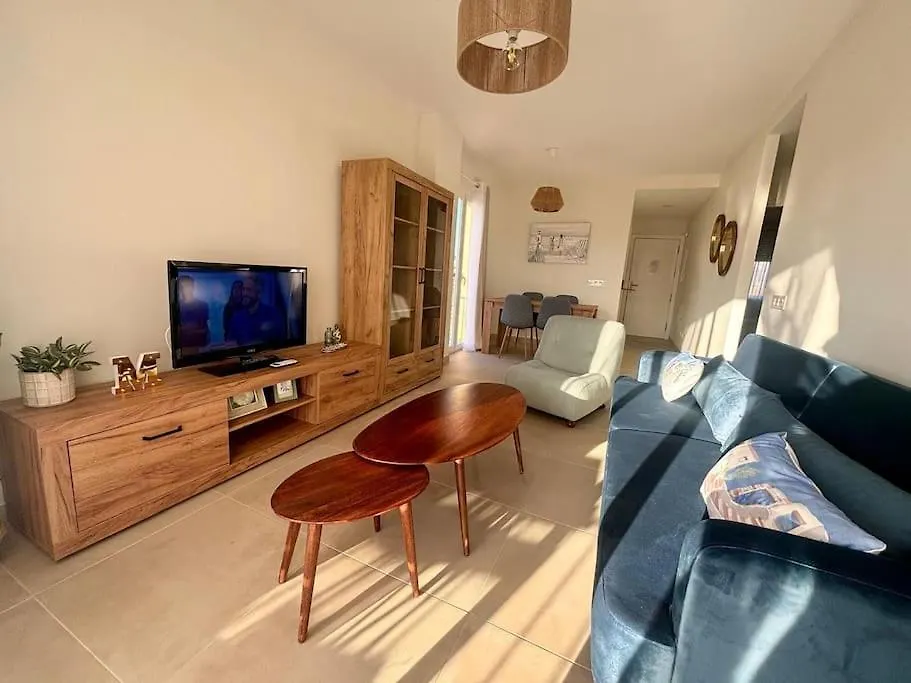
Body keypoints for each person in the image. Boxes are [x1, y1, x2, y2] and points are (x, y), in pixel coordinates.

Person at [227, 274, 284, 345]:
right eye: (243, 289)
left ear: (259, 293)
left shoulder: (273, 313)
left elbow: (280, 340)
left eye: (249, 290)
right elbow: (231, 342)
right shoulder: (236, 318)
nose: (244, 293)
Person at [177, 275, 210, 350]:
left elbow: (204, 329)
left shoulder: (202, 305)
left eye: (187, 286)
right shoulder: (176, 306)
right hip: (182, 347)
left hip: (199, 345)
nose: (185, 289)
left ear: (193, 287)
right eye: (182, 287)